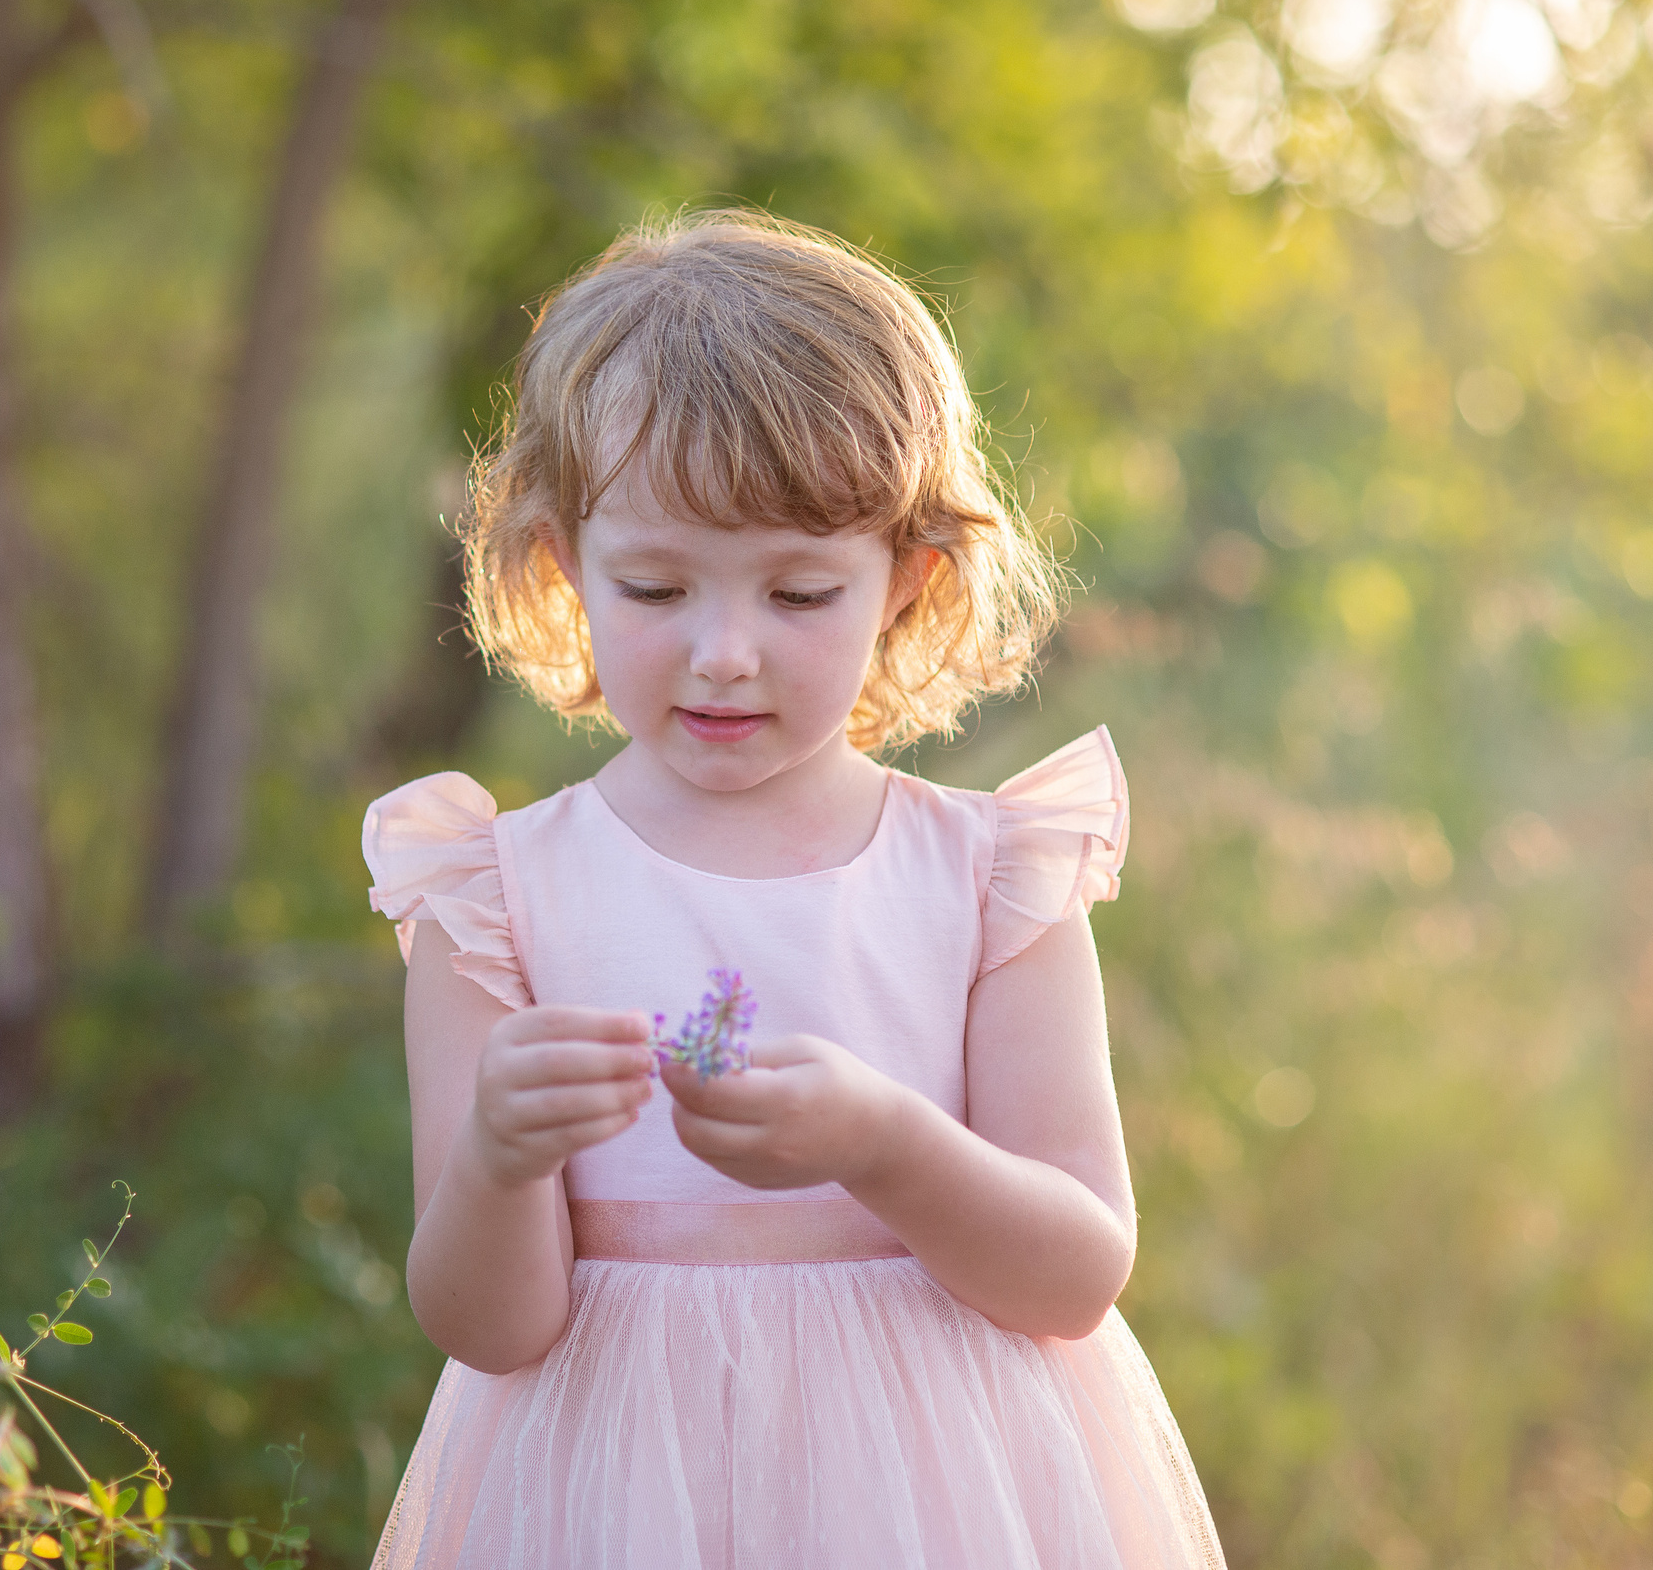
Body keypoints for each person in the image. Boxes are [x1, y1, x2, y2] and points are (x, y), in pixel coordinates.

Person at [361, 211, 1225, 1569]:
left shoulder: (992, 876)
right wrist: (500, 1152)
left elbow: (1075, 1269)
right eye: (654, 584)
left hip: (935, 1498)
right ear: (558, 562)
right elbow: (491, 1327)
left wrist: (885, 1141)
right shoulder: (492, 892)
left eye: (801, 592)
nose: (724, 652)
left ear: (907, 581)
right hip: (610, 1498)